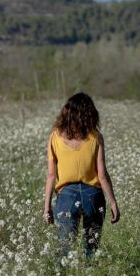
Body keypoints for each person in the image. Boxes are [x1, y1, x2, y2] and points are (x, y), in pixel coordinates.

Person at [43, 92, 120, 260]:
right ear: (90, 113)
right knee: (92, 247)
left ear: (66, 112)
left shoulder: (54, 137)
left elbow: (51, 175)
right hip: (93, 195)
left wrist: (47, 206)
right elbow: (102, 174)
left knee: (64, 248)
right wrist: (113, 202)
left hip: (66, 197)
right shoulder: (96, 137)